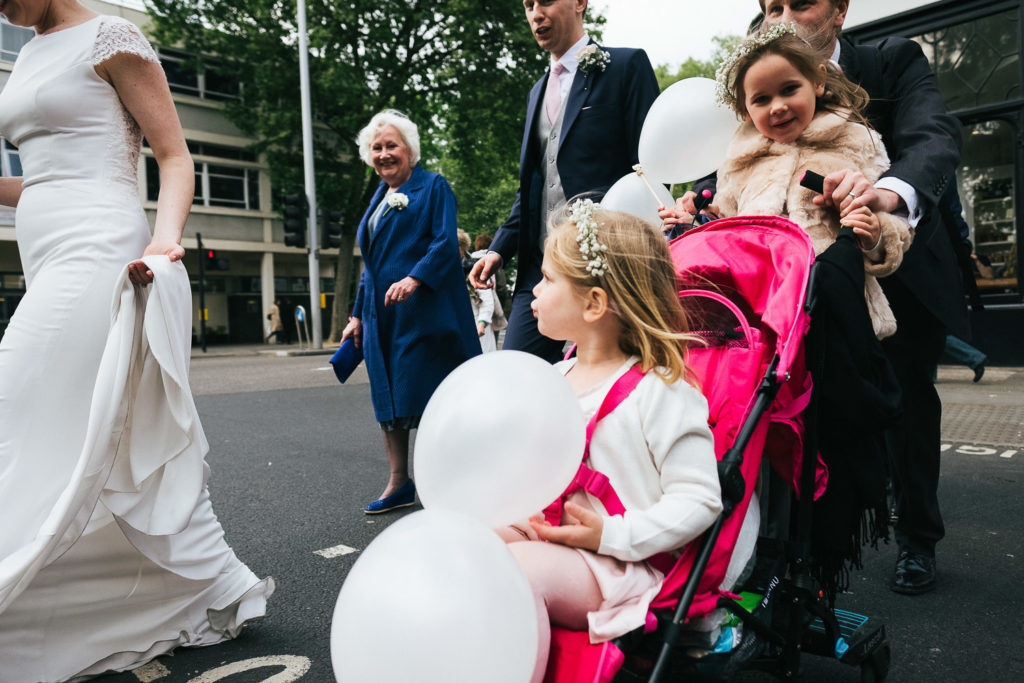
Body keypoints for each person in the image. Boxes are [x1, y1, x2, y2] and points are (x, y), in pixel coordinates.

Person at [0, 2, 273, 679]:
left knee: (12, 401)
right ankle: (217, 585)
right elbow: (47, 176)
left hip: (101, 248)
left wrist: (165, 240)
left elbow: (174, 155)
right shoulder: (31, 48)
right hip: (46, 250)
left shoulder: (112, 36)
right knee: (96, 431)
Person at [669, 0, 962, 596]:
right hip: (787, 295)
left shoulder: (892, 60)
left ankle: (917, 538)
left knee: (903, 403)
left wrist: (883, 198)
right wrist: (693, 209)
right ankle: (795, 542)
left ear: (840, 9)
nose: (783, 14)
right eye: (771, 5)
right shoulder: (754, 106)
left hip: (887, 264)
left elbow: (930, 138)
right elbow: (733, 176)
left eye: (798, 2)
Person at [496, 201, 722, 681]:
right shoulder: (553, 378)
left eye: (547, 279)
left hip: (618, 564)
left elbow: (700, 499)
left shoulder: (660, 390)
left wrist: (612, 535)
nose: (533, 291)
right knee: (470, 540)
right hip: (552, 537)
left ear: (595, 303)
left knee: (512, 571)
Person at [469, 0, 659, 363]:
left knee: (606, 379)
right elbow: (534, 186)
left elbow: (650, 165)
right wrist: (499, 249)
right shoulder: (535, 93)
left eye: (545, 1)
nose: (535, 13)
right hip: (540, 268)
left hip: (605, 266)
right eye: (527, 6)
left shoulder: (625, 66)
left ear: (579, 3)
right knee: (518, 373)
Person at [712, 25, 911, 339]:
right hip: (765, 319)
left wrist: (873, 234)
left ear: (817, 81)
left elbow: (895, 231)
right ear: (745, 110)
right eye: (761, 99)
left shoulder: (856, 143)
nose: (777, 106)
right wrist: (695, 221)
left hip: (842, 316)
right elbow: (724, 233)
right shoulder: (738, 165)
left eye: (789, 89)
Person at [342, 110, 480, 514]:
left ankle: (455, 479)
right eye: (377, 147)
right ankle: (399, 482)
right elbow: (372, 263)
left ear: (409, 150)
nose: (384, 154)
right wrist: (355, 315)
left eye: (391, 146)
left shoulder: (434, 186)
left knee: (431, 396)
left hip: (425, 313)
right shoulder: (378, 198)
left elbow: (443, 243)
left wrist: (415, 279)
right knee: (389, 397)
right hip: (382, 315)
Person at [458, 229, 506, 353]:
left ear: (463, 246)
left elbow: (486, 299)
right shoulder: (443, 268)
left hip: (477, 324)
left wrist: (482, 323)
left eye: (457, 245)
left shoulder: (473, 266)